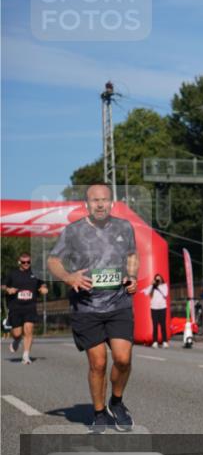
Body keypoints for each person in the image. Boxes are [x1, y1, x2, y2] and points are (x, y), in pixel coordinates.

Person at [47, 184, 138, 433]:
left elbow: (132, 254)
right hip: (87, 306)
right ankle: (99, 413)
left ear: (112, 203)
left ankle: (116, 403)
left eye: (105, 200)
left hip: (119, 303)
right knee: (98, 363)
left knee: (123, 358)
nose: (100, 204)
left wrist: (132, 276)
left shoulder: (124, 227)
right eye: (95, 200)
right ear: (86, 204)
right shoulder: (73, 231)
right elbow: (53, 260)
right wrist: (68, 277)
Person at [4, 252, 48, 364]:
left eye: (28, 262)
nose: (26, 264)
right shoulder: (12, 274)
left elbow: (42, 284)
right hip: (15, 307)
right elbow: (3, 284)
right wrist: (8, 289)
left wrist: (43, 289)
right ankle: (16, 340)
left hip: (30, 306)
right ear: (19, 262)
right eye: (24, 262)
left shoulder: (35, 273)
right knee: (17, 333)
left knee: (28, 330)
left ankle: (26, 355)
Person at [144, 273, 169, 348]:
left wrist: (158, 286)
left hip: (162, 308)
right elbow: (146, 292)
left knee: (163, 325)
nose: (158, 280)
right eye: (156, 279)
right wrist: (152, 285)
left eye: (159, 279)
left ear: (161, 279)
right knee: (155, 325)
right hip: (154, 308)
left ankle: (164, 341)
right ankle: (155, 341)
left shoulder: (164, 286)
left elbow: (165, 294)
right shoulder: (152, 287)